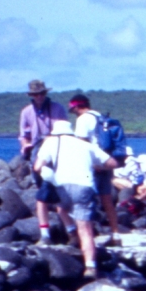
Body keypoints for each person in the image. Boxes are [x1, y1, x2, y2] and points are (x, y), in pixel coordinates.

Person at [34, 119, 119, 277]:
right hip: (84, 186)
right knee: (86, 229)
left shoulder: (51, 142)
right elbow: (113, 163)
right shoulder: (86, 145)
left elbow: (37, 167)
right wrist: (97, 166)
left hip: (62, 186)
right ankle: (90, 267)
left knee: (61, 206)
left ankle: (72, 234)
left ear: (55, 132)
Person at [68, 93, 124, 248]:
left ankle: (86, 237)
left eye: (73, 110)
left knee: (84, 200)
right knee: (107, 199)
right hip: (107, 163)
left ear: (78, 107)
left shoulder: (83, 119)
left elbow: (81, 145)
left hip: (91, 167)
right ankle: (116, 234)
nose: (74, 113)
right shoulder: (101, 117)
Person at [19, 79, 68, 244]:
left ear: (45, 93)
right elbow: (23, 136)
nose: (39, 97)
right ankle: (49, 225)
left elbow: (65, 131)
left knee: (60, 187)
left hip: (55, 148)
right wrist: (25, 146)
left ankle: (66, 225)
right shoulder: (26, 112)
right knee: (42, 188)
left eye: (41, 93)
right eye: (35, 94)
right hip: (36, 150)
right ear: (31, 95)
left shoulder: (57, 108)